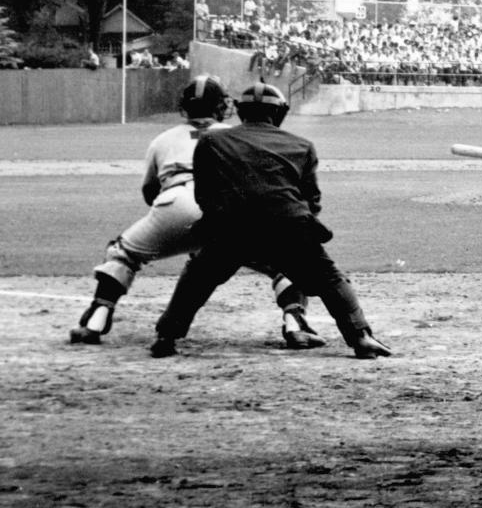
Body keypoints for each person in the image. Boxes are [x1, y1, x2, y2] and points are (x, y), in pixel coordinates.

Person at [70, 75, 323, 349]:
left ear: (184, 106)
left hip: (174, 203)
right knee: (286, 260)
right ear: (223, 106)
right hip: (231, 211)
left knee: (122, 253)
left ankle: (95, 319)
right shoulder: (237, 133)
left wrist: (178, 230)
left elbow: (149, 193)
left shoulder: (162, 139)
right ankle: (295, 322)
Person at [150, 82, 391, 359]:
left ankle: (166, 336)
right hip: (288, 227)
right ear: (278, 113)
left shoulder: (210, 141)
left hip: (231, 229)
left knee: (197, 276)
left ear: (241, 112)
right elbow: (311, 201)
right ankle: (360, 337)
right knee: (329, 277)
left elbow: (204, 195)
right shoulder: (302, 145)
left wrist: (221, 225)